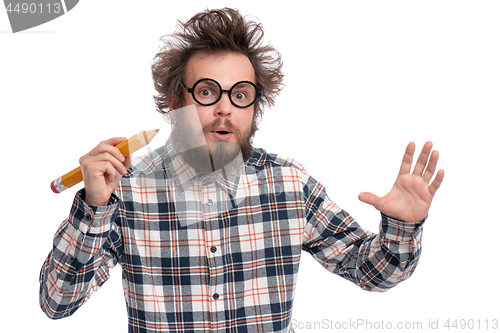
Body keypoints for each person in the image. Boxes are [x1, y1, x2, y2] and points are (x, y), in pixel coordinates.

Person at [39, 8, 444, 333]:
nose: (225, 108)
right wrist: (93, 206)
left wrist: (402, 229)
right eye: (207, 91)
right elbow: (57, 303)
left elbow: (369, 271)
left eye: (241, 94)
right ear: (176, 98)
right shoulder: (125, 192)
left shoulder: (290, 184)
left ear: (254, 106)